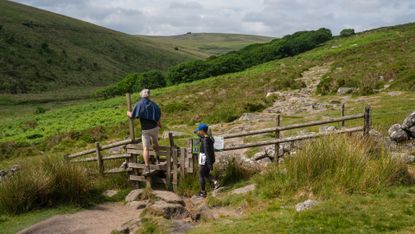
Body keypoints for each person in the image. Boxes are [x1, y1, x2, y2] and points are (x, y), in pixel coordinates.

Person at [127, 89, 161, 175]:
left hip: (145, 130)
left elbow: (133, 116)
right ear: (149, 95)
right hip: (154, 128)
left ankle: (147, 167)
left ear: (141, 95)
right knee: (155, 142)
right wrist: (159, 124)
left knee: (145, 148)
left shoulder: (139, 104)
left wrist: (128, 113)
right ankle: (157, 159)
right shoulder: (154, 104)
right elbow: (157, 116)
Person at [194, 123, 220, 197]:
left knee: (201, 174)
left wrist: (209, 164)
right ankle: (215, 182)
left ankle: (203, 192)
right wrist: (196, 132)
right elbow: (199, 135)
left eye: (199, 130)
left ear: (202, 131)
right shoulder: (208, 138)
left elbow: (207, 153)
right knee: (206, 174)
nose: (198, 132)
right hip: (208, 159)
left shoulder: (205, 141)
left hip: (205, 159)